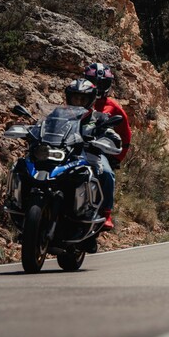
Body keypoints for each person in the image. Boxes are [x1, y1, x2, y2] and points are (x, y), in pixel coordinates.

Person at [65, 79, 122, 242]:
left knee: (106, 173)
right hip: (65, 154)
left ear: (91, 100)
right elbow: (46, 126)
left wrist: (108, 139)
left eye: (82, 99)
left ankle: (105, 213)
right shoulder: (60, 115)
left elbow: (112, 134)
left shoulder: (99, 118)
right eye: (75, 98)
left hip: (90, 154)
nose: (78, 102)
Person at [84, 62, 132, 230]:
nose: (97, 86)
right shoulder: (78, 99)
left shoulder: (114, 107)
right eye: (93, 81)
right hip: (74, 146)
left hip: (99, 149)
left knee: (106, 172)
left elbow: (126, 135)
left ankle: (106, 214)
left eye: (102, 83)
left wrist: (117, 158)